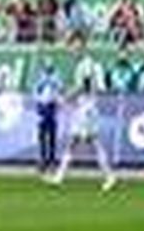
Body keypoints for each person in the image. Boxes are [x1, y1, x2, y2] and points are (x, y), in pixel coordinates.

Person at [48, 44, 116, 192]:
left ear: (81, 47)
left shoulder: (85, 65)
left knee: (92, 142)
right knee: (75, 142)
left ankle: (109, 176)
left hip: (86, 108)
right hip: (85, 107)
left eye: (74, 48)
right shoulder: (86, 64)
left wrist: (64, 98)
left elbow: (81, 87)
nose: (72, 51)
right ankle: (60, 176)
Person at [33, 60, 63, 174]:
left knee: (51, 136)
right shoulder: (41, 80)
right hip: (43, 107)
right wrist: (39, 103)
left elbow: (59, 89)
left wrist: (56, 100)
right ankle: (43, 159)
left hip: (51, 107)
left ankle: (51, 160)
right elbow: (35, 92)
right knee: (42, 135)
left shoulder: (55, 79)